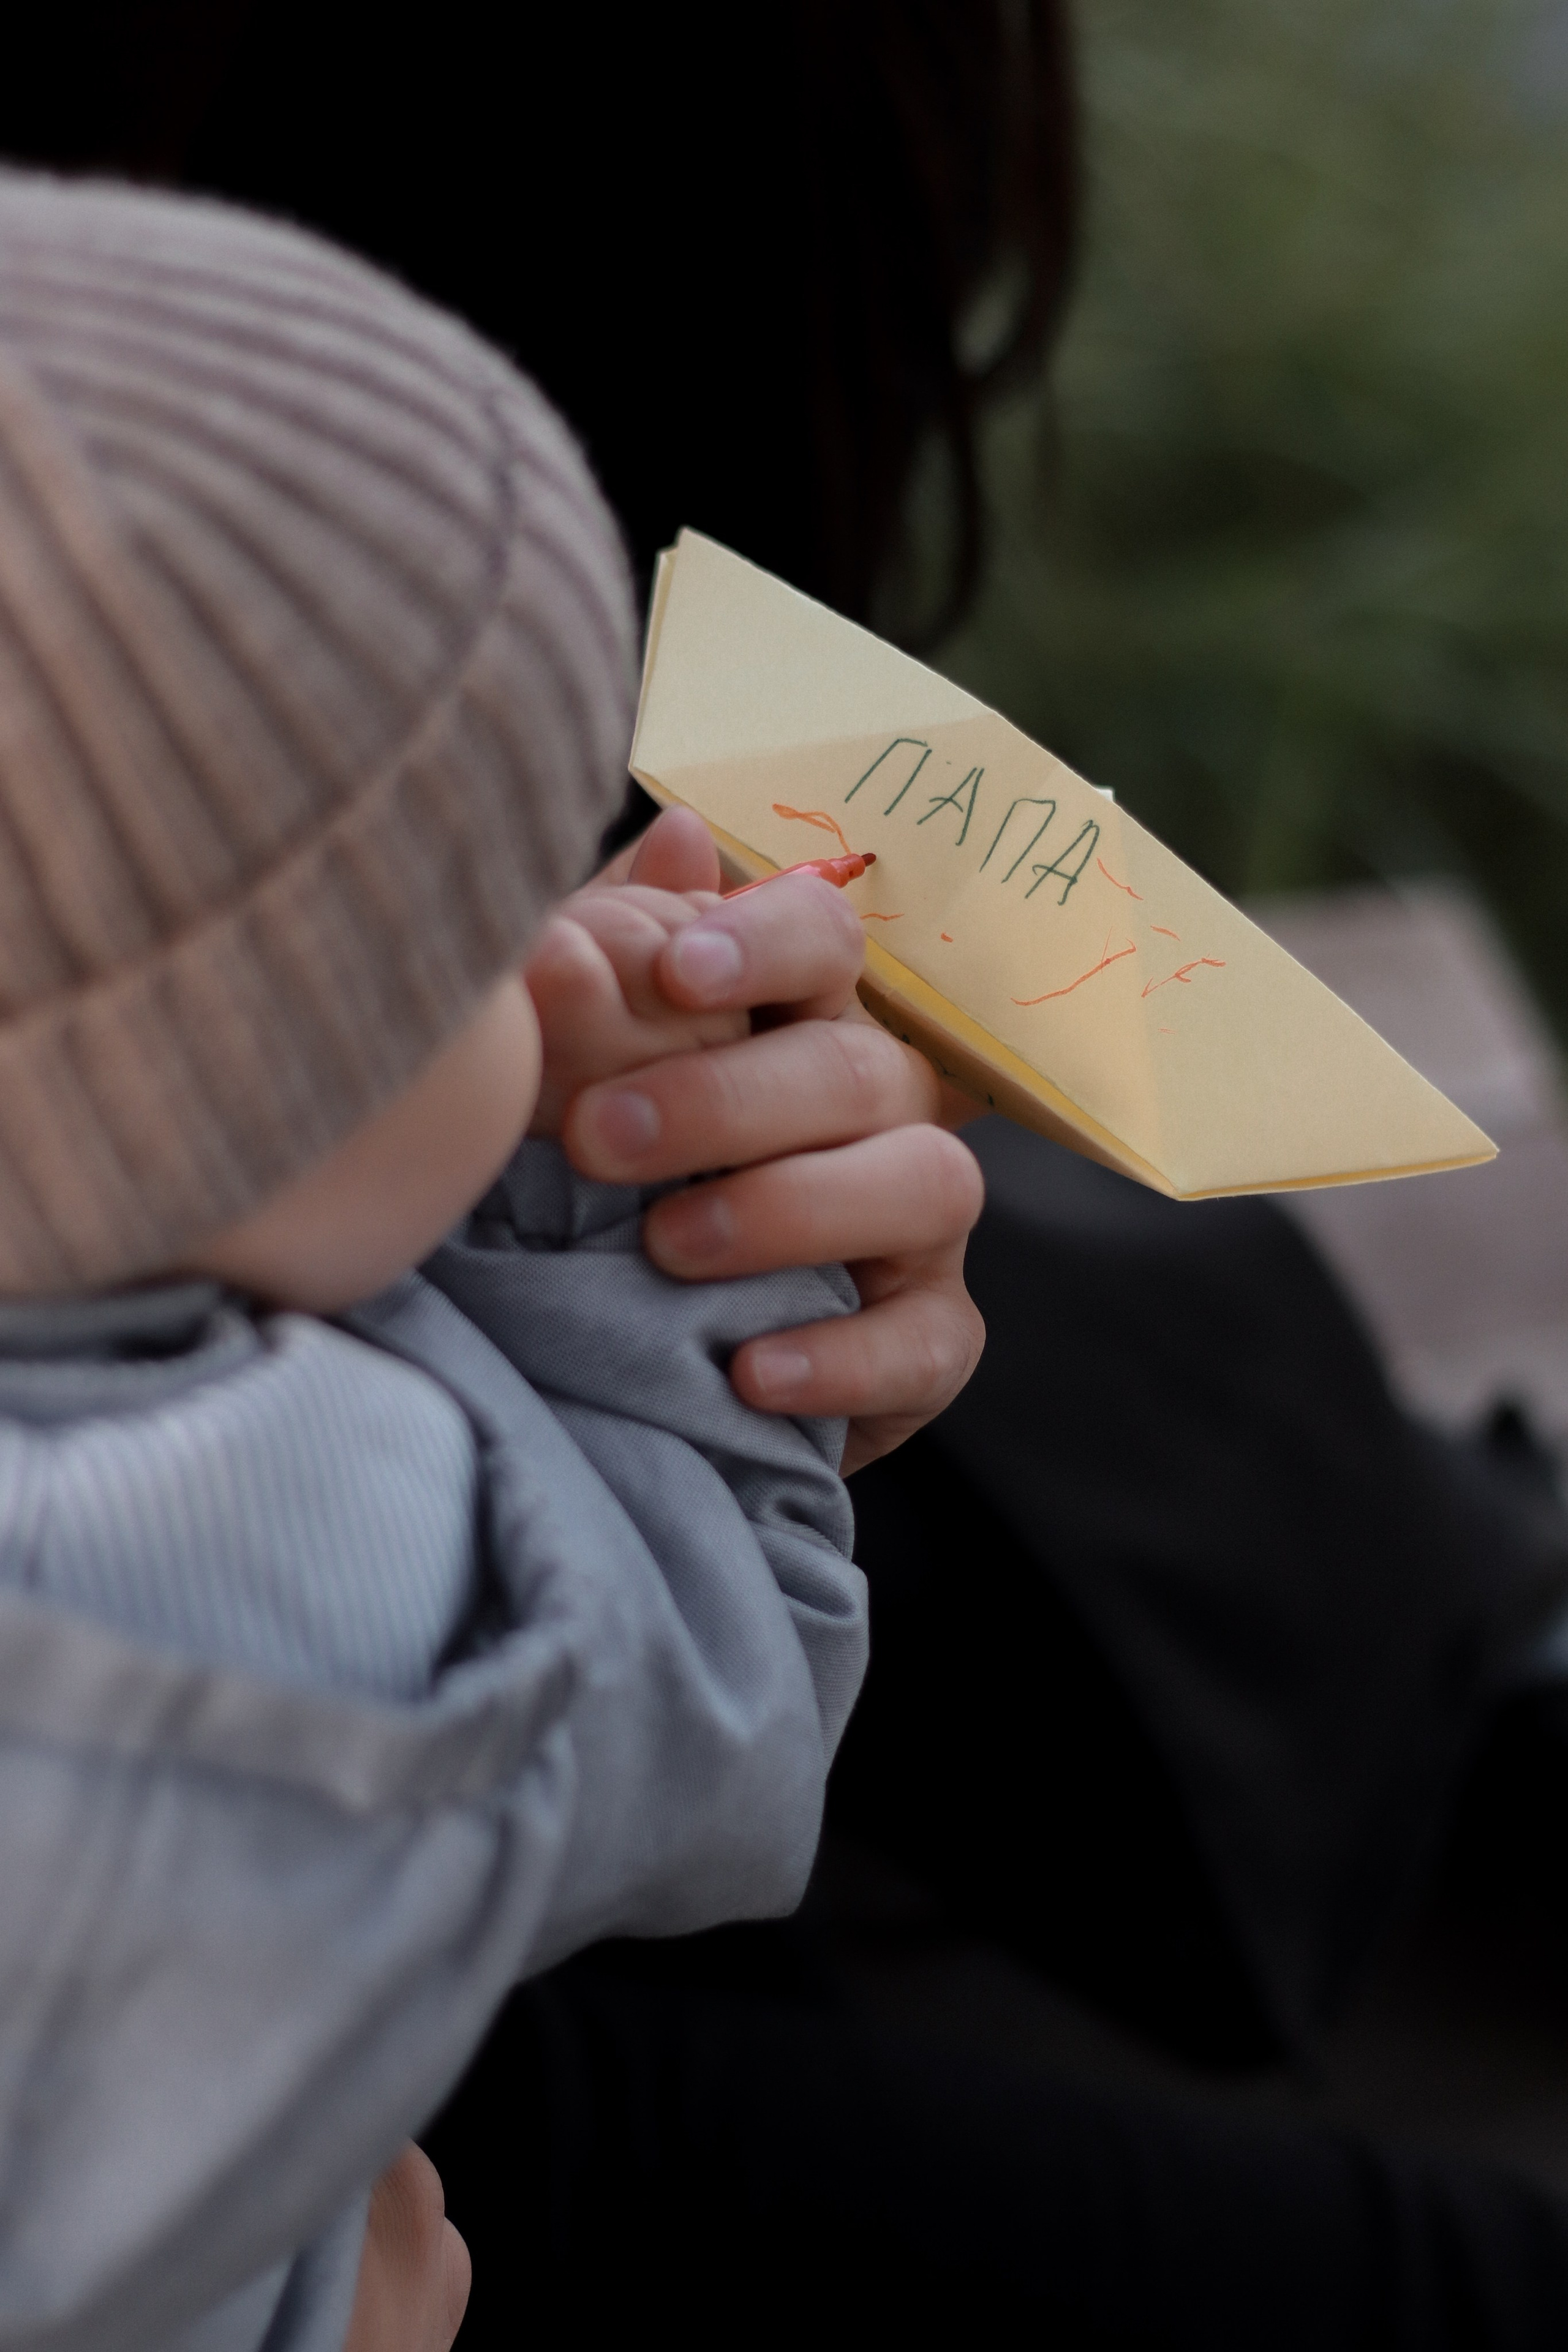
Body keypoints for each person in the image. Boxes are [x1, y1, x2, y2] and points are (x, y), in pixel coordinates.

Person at [0, 168, 988, 2350]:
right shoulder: (311, 1557)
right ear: (225, 1109)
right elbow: (720, 1707)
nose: (547, 956)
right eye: (457, 938)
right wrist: (645, 1227)